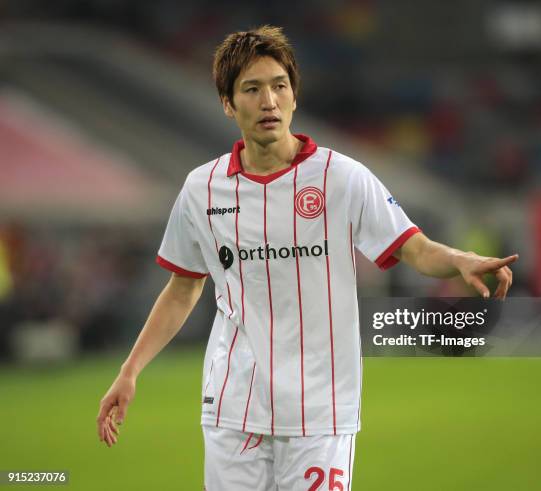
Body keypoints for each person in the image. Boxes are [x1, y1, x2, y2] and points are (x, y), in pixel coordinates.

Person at [97, 25, 518, 490]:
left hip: (322, 411)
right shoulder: (201, 189)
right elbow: (183, 288)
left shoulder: (343, 177)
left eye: (279, 86)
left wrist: (459, 259)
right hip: (234, 407)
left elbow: (412, 247)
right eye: (252, 89)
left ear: (294, 96)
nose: (268, 101)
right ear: (227, 104)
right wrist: (129, 371)